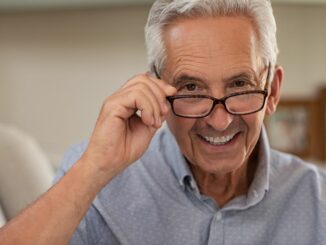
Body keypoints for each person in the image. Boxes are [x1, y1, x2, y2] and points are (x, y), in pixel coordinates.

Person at [1, 0, 326, 244]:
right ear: (155, 90)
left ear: (272, 90)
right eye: (191, 88)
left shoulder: (318, 198)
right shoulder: (95, 180)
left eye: (240, 85)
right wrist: (94, 169)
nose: (219, 120)